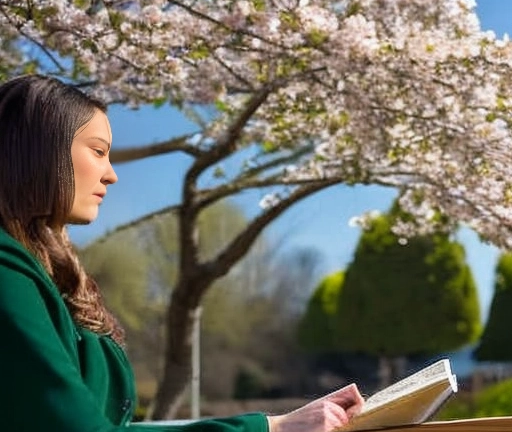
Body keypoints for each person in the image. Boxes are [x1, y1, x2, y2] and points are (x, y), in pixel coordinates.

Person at [0, 74, 365, 432]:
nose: (111, 175)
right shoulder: (7, 271)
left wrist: (273, 425)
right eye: (98, 151)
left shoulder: (42, 274)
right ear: (38, 151)